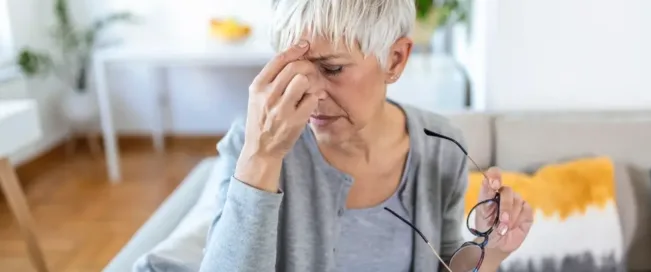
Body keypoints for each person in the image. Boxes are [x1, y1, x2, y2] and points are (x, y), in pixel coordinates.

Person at [199, 0, 534, 271]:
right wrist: (262, 157)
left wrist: (490, 252)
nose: (310, 92)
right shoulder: (254, 143)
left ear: (396, 58)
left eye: (331, 69)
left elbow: (444, 263)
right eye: (293, 69)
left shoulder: (441, 146)